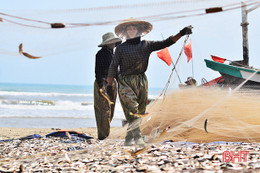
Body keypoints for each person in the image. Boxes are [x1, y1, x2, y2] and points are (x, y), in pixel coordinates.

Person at [107, 18, 192, 146]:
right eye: (129, 29)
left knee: (140, 111)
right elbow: (113, 66)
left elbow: (165, 43)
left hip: (141, 80)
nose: (131, 31)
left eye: (134, 28)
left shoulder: (146, 45)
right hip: (125, 81)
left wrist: (181, 33)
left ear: (139, 31)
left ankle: (129, 135)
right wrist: (109, 84)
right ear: (125, 32)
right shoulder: (120, 48)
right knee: (132, 108)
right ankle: (138, 137)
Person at [94, 32, 121, 140]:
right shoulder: (100, 54)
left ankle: (106, 133)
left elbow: (116, 71)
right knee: (103, 110)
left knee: (111, 108)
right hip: (103, 82)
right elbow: (97, 71)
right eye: (110, 42)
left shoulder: (113, 54)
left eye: (113, 42)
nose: (112, 44)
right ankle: (103, 135)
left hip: (112, 83)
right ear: (106, 44)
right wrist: (101, 85)